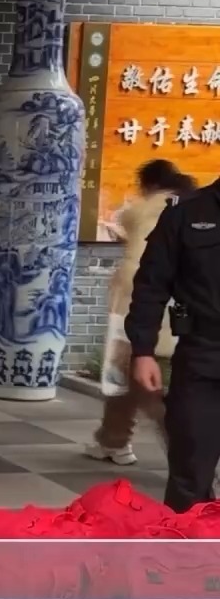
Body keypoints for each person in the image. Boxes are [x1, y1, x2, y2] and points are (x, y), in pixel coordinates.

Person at [87, 160, 196, 465]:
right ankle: (113, 440)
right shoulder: (193, 208)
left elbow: (136, 261)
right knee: (126, 382)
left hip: (136, 311)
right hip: (182, 313)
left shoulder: (144, 210)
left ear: (149, 184)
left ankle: (189, 458)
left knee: (146, 389)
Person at [126, 173, 220, 512]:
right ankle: (186, 545)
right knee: (190, 473)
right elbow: (151, 285)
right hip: (203, 356)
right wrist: (142, 350)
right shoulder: (187, 213)